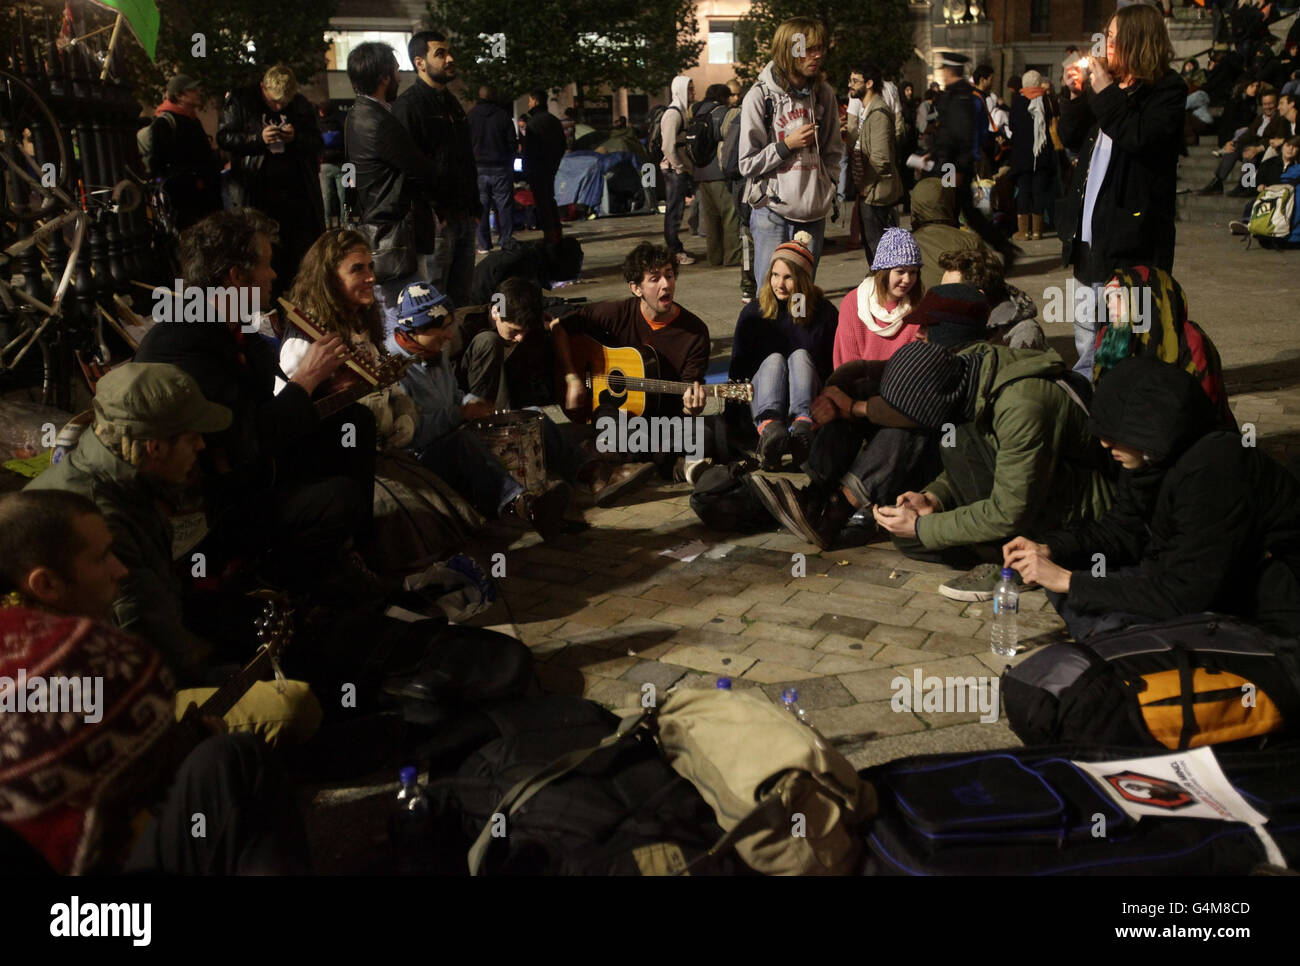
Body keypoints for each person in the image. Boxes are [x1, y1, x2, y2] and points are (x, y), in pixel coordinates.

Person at [23, 367, 322, 744]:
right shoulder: (101, 519)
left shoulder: (116, 477)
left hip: (115, 661)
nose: (201, 446)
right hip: (95, 703)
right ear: (156, 447)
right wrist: (227, 671)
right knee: (291, 706)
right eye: (192, 437)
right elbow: (146, 634)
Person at [132, 210, 373, 595]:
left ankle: (354, 555)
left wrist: (330, 389)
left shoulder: (236, 330)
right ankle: (278, 594)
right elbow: (249, 439)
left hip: (255, 469)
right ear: (236, 277)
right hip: (214, 507)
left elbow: (271, 407)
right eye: (265, 265)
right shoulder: (182, 344)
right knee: (338, 499)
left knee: (353, 422)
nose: (273, 276)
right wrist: (306, 378)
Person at [1004, 356, 1300, 640]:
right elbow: (1121, 529)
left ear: (1150, 430)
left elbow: (1185, 592)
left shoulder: (1217, 469)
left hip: (1264, 605)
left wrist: (1069, 581)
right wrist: (1051, 549)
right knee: (1068, 580)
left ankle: (1123, 639)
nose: (1105, 443)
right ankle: (1117, 635)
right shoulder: (1146, 457)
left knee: (1080, 592)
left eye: (1115, 434)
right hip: (1178, 574)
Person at [868, 340, 1115, 601]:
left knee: (925, 530)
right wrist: (934, 498)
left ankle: (1011, 563)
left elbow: (1009, 510)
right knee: (907, 536)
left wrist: (922, 528)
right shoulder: (968, 374)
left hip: (1076, 513)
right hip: (1022, 489)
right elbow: (975, 461)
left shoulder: (1022, 406)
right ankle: (990, 547)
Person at [384, 282, 572, 538]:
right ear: (415, 328)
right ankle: (523, 505)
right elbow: (408, 436)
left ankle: (588, 470)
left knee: (530, 415)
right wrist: (460, 414)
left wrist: (475, 405)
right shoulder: (392, 368)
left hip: (453, 433)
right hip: (423, 459)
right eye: (441, 329)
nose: (449, 336)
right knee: (463, 443)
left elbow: (454, 397)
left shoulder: (430, 351)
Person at [1058, 3, 1186, 376]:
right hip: (1087, 237)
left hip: (1132, 239)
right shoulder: (1108, 89)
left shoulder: (1166, 90)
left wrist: (1105, 93)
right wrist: (1078, 96)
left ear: (1137, 40)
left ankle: (1119, 411)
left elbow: (1139, 137)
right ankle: (1091, 404)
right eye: (1107, 36)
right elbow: (1070, 137)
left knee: (1127, 337)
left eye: (1114, 38)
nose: (1106, 45)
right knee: (1086, 335)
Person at [343, 41, 440, 336]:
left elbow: (350, 177)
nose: (400, 76)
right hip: (395, 237)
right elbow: (421, 170)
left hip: (379, 230)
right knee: (409, 320)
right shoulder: (380, 121)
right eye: (397, 70)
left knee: (393, 315)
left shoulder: (356, 115)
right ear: (384, 76)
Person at [739, 17, 842, 279]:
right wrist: (787, 145)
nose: (817, 56)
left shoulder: (823, 93)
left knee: (803, 296)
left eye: (820, 49)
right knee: (771, 298)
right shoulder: (760, 96)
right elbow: (747, 163)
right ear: (790, 50)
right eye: (809, 49)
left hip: (813, 211)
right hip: (771, 212)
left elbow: (833, 150)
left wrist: (828, 186)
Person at [728, 233, 836, 469]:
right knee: (775, 360)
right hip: (764, 394)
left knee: (798, 356)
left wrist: (799, 316)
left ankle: (802, 429)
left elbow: (829, 365)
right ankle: (770, 430)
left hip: (808, 398)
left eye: (788, 277)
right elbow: (738, 367)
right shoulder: (754, 312)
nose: (779, 284)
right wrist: (732, 422)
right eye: (775, 275)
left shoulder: (823, 312)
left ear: (803, 279)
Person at [217, 65, 325, 296]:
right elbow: (225, 138)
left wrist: (296, 138)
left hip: (297, 196)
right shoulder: (241, 100)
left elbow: (317, 141)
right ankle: (268, 302)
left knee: (299, 256)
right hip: (257, 193)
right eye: (274, 102)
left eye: (284, 103)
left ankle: (299, 298)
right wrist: (257, 138)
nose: (279, 107)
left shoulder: (301, 105)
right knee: (263, 254)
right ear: (262, 88)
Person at [394, 30, 479, 306]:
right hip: (437, 222)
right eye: (440, 54)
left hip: (464, 215)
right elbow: (408, 166)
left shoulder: (452, 103)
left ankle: (458, 350)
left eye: (449, 52)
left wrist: (475, 207)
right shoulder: (409, 105)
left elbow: (465, 157)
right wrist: (433, 210)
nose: (449, 59)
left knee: (461, 298)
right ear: (420, 62)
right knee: (434, 301)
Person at [1091, 265, 1234, 428]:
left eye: (1118, 296)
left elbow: (1202, 409)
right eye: (1108, 298)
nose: (1110, 305)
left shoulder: (1191, 341)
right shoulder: (1109, 337)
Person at [930, 52, 1015, 267]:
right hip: (952, 164)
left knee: (952, 211)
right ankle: (1002, 247)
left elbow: (958, 135)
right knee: (966, 212)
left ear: (949, 71)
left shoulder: (960, 96)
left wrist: (953, 168)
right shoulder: (959, 94)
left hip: (953, 166)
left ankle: (956, 257)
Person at [833, 227, 924, 365]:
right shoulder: (853, 302)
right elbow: (847, 361)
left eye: (913, 272)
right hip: (859, 382)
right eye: (900, 271)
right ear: (884, 272)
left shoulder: (918, 306)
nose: (907, 279)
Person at [144, 74, 222, 230]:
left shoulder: (193, 119)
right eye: (193, 90)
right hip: (183, 198)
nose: (198, 93)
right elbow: (158, 163)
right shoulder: (164, 123)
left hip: (204, 194)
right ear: (179, 95)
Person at [938, 248, 1046, 350]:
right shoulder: (947, 322)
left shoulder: (1024, 332)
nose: (942, 299)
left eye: (949, 293)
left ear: (977, 296)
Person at [851, 63, 903, 264]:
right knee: (875, 250)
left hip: (876, 193)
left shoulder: (879, 114)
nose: (851, 85)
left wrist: (866, 185)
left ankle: (883, 289)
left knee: (879, 252)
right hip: (873, 191)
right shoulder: (869, 111)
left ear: (870, 83)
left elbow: (881, 158)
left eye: (855, 81)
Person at [1199, 87, 1288, 195]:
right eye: (1265, 104)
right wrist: (1233, 143)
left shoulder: (1281, 118)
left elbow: (1278, 138)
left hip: (1267, 150)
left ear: (1276, 104)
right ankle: (1217, 182)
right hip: (1253, 146)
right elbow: (1249, 133)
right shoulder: (1260, 118)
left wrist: (1258, 148)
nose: (1267, 107)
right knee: (1232, 150)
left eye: (1270, 104)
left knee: (1249, 152)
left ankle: (1246, 186)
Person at [909, 177, 992, 293]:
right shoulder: (971, 241)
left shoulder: (905, 243)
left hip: (917, 307)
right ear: (950, 202)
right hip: (961, 306)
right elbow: (989, 281)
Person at [692, 83, 742, 268]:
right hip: (718, 172)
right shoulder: (721, 112)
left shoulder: (696, 111)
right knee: (729, 216)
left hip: (700, 172)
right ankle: (732, 257)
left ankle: (714, 257)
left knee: (711, 219)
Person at [468, 85, 518, 254]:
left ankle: (484, 243)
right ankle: (506, 241)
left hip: (478, 168)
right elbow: (512, 142)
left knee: (481, 206)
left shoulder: (471, 116)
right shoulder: (503, 116)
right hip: (501, 167)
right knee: (505, 206)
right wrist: (509, 160)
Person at [1009, 70, 1058, 241]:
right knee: (1039, 192)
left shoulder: (1018, 102)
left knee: (1024, 191)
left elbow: (1012, 126)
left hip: (1023, 155)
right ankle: (1038, 230)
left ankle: (1024, 231)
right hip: (1042, 154)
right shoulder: (1045, 100)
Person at [468, 236, 584, 306]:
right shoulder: (523, 265)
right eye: (561, 282)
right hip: (477, 308)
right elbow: (507, 305)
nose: (562, 285)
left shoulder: (533, 259)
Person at [661, 76, 697, 264]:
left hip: (679, 169)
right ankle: (674, 251)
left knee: (677, 211)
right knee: (674, 212)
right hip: (675, 170)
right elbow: (668, 146)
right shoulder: (673, 114)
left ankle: (674, 249)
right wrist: (679, 168)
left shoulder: (682, 112)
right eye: (689, 89)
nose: (693, 92)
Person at [523, 90, 567, 244]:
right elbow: (563, 144)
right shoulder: (553, 121)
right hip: (551, 166)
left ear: (535, 101)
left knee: (542, 202)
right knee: (550, 198)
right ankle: (556, 231)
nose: (528, 104)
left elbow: (529, 150)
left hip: (538, 168)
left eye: (529, 101)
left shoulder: (533, 123)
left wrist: (527, 169)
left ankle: (549, 234)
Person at [318, 100, 347, 228]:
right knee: (343, 196)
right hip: (340, 164)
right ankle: (344, 223)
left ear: (321, 111)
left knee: (326, 198)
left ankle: (327, 224)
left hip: (324, 165)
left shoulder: (318, 125)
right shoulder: (340, 123)